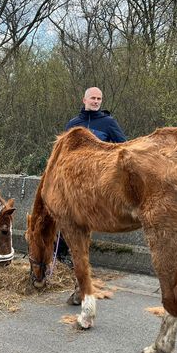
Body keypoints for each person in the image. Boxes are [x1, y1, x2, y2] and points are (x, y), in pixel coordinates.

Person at [57, 87, 127, 267]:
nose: (96, 101)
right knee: (65, 215)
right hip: (73, 179)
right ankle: (59, 254)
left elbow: (123, 148)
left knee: (82, 218)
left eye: (99, 99)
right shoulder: (74, 123)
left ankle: (78, 258)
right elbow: (63, 151)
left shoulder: (108, 122)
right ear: (84, 100)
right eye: (93, 98)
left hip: (96, 180)